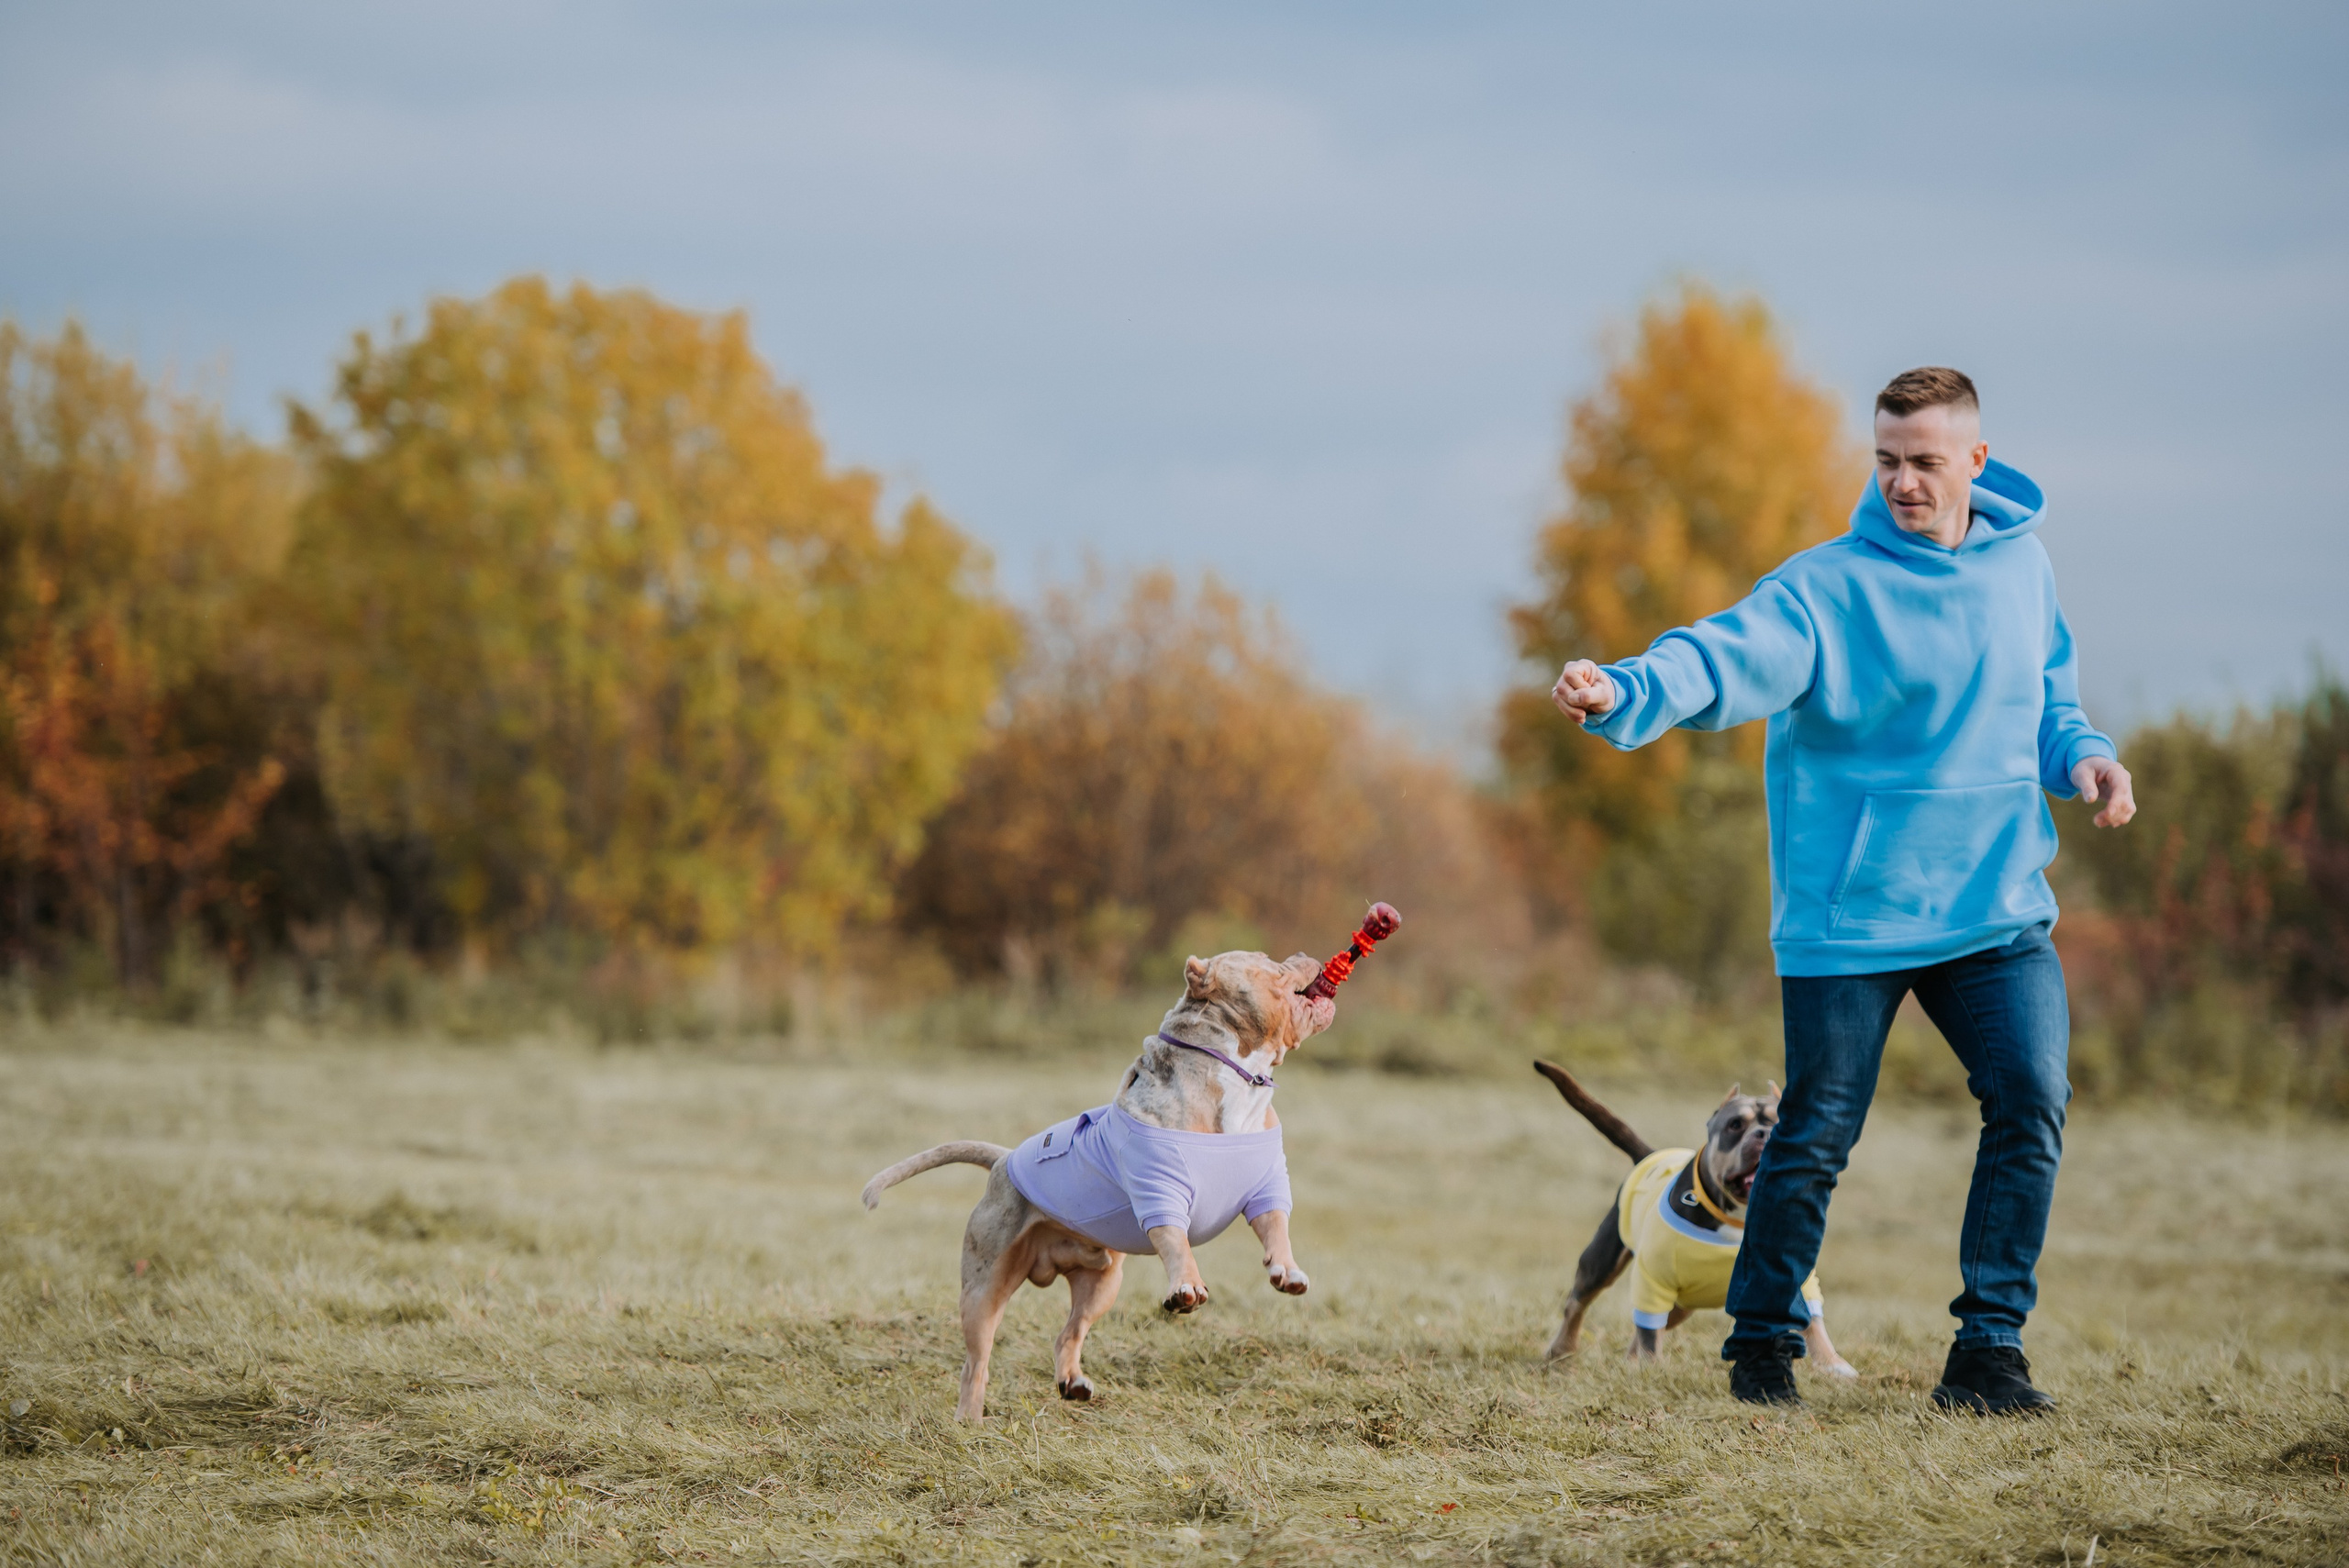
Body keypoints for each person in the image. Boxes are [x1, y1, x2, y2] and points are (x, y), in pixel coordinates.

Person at [1550, 366, 2135, 1413]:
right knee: (1816, 1132)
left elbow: (2047, 699)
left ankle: (1988, 1352)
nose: (1903, 482)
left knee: (2032, 1095)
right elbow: (1723, 657)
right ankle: (1762, 1346)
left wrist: (2085, 756)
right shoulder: (1826, 588)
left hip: (1993, 901)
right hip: (1852, 914)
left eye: (1925, 462)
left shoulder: (2023, 566)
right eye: (1886, 461)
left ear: (1976, 461)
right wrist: (1625, 688)